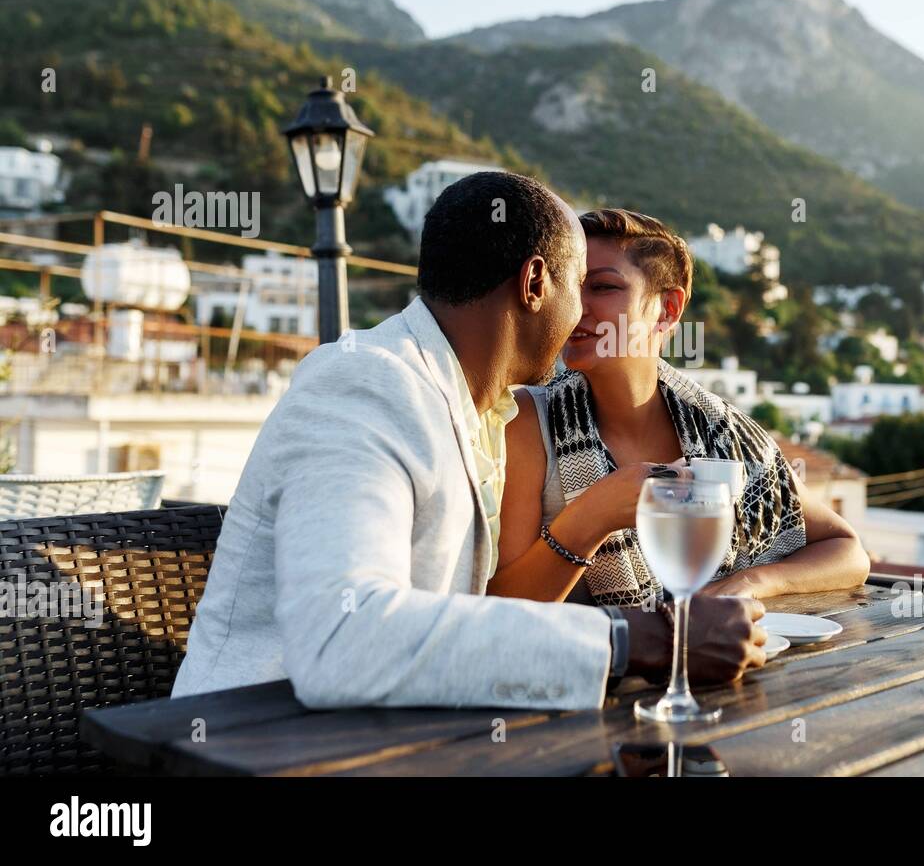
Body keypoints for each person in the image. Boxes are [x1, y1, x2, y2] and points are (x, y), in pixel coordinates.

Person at [172, 175, 767, 711]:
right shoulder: (364, 383)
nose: (583, 312)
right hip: (252, 745)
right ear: (536, 282)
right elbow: (341, 637)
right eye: (580, 284)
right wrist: (639, 639)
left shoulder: (487, 409)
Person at [489, 208, 869, 607]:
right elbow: (503, 607)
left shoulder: (726, 434)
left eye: (601, 287)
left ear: (668, 309)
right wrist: (592, 516)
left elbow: (846, 550)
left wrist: (750, 583)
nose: (576, 306)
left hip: (733, 663)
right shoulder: (527, 421)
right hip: (600, 667)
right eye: (572, 286)